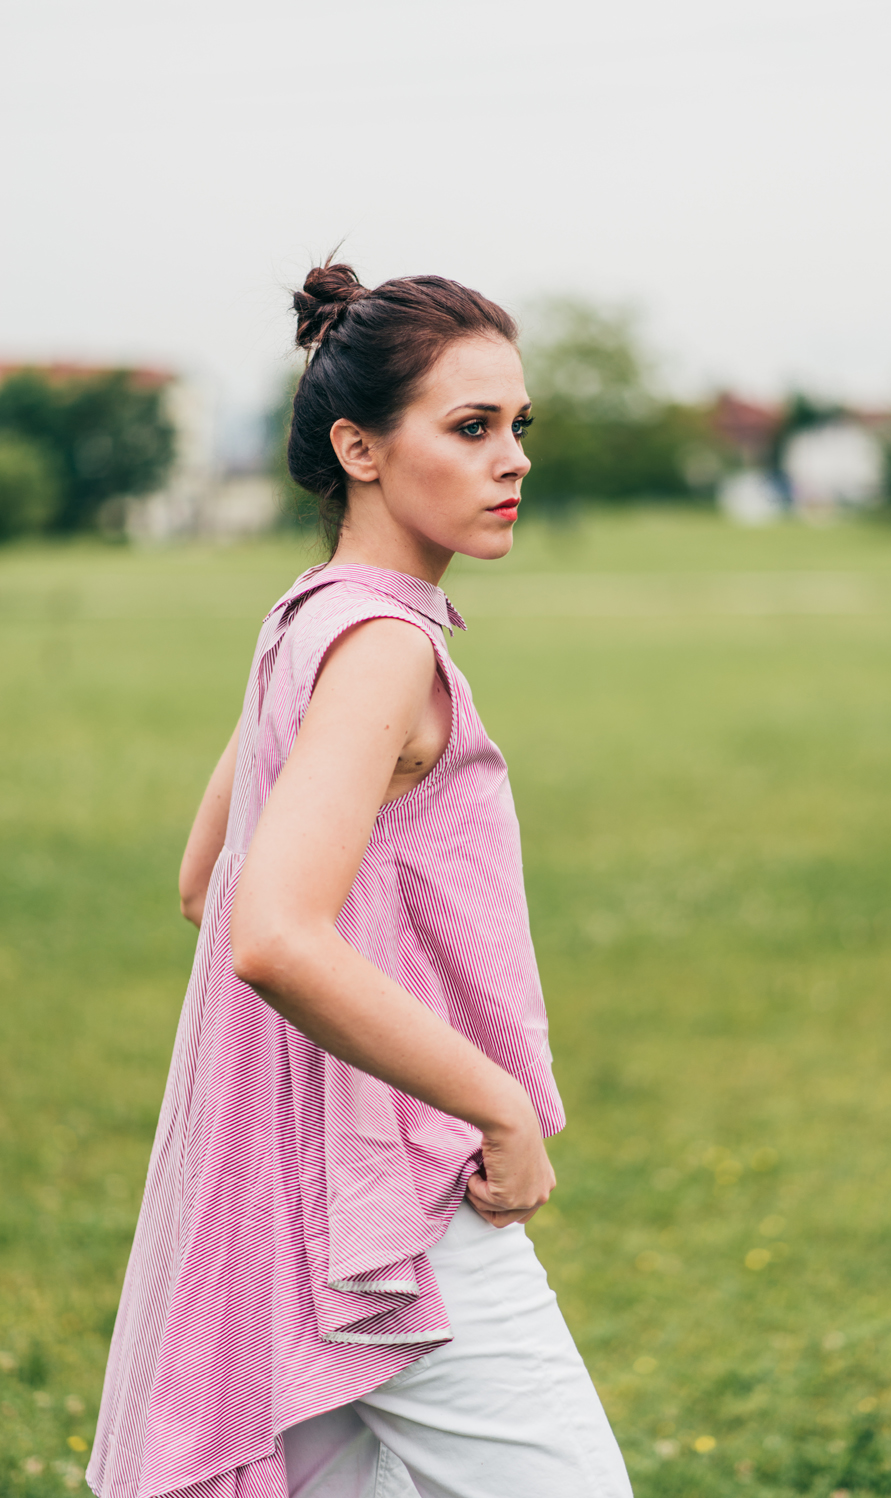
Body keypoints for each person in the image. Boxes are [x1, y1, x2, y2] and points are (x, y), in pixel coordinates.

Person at [87, 262, 632, 1498]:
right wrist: (495, 1105)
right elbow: (267, 931)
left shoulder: (306, 619)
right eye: (471, 426)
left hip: (301, 1201)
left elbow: (200, 882)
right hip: (393, 1210)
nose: (514, 462)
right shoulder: (383, 646)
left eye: (518, 428)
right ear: (360, 447)